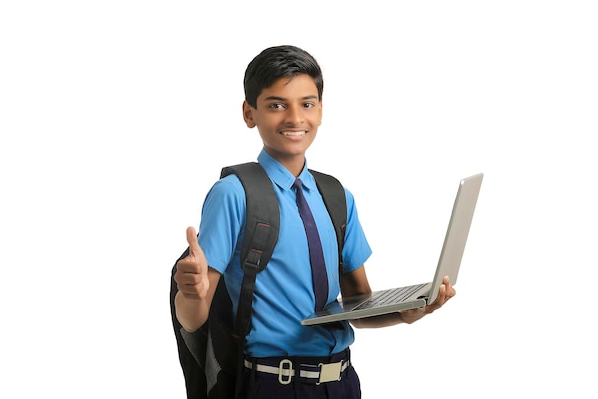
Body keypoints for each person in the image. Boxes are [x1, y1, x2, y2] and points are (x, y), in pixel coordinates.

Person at [173, 45, 456, 399]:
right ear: (249, 113)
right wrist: (191, 293)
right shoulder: (234, 194)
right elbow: (193, 318)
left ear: (320, 110)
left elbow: (356, 306)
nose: (294, 118)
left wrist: (405, 312)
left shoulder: (337, 196)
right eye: (276, 105)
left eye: (306, 104)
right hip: (273, 384)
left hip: (342, 381)